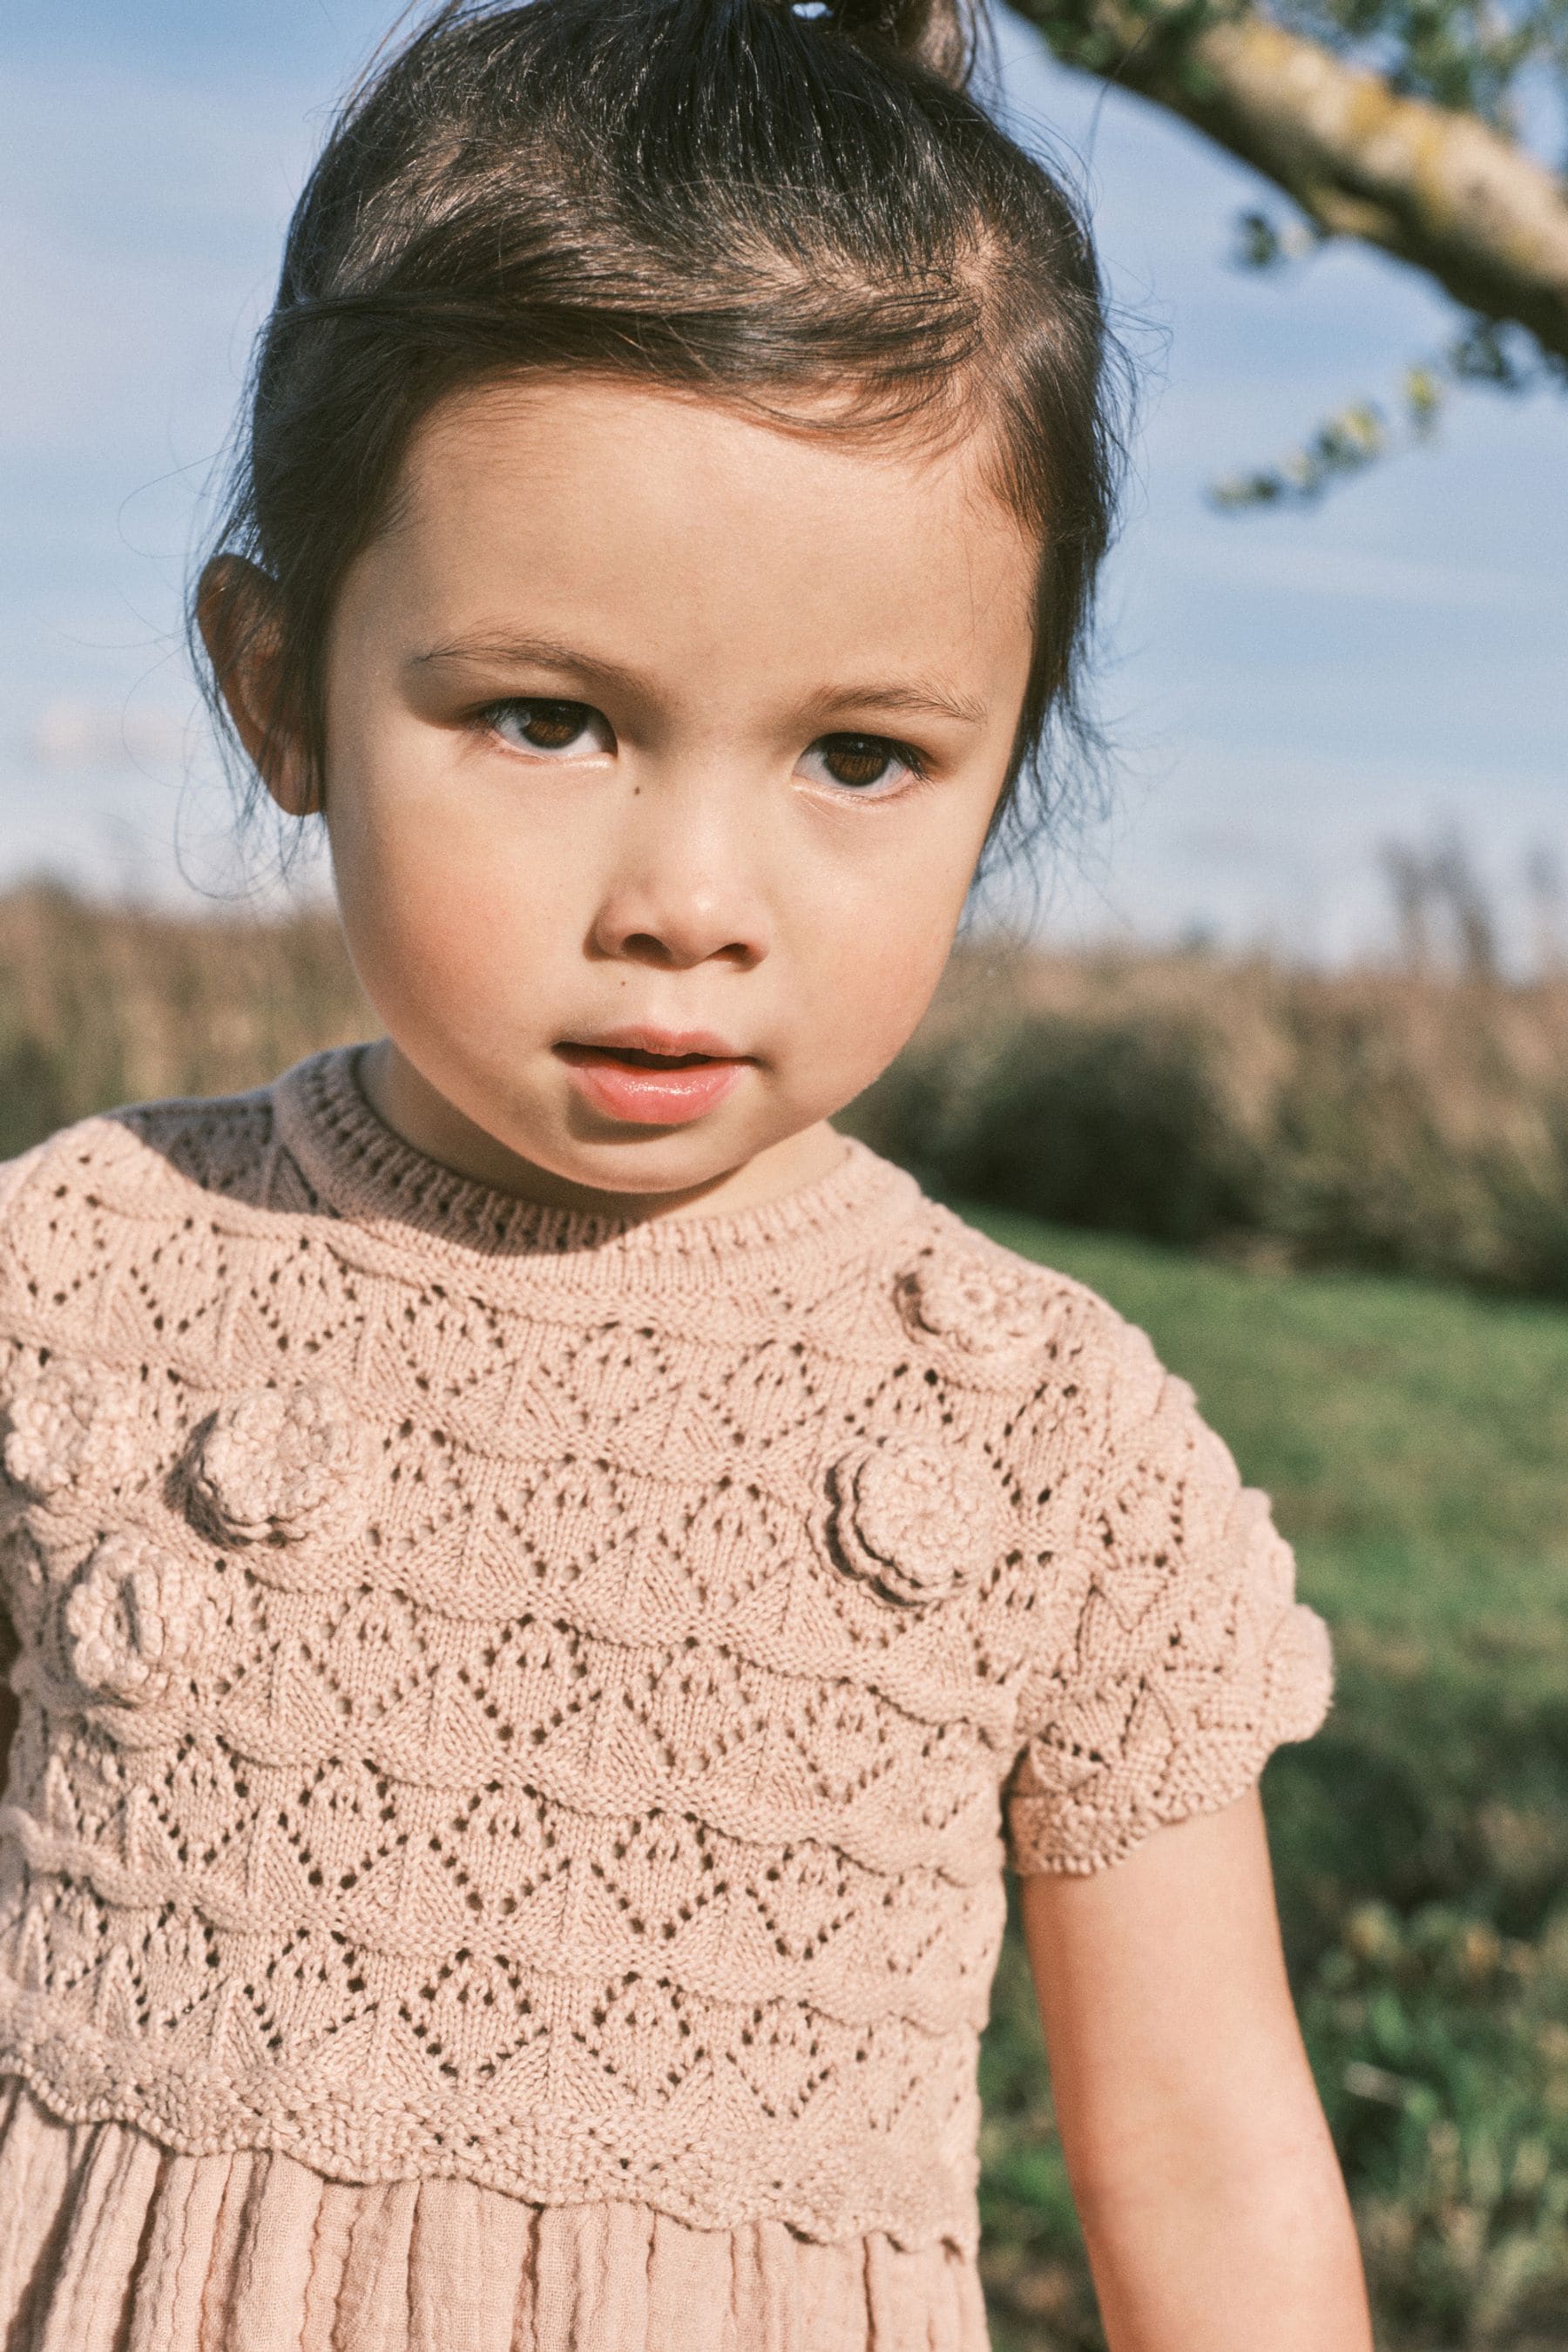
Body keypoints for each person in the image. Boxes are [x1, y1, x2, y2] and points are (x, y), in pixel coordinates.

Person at [0, 0, 1373, 2343]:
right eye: (549, 718)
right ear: (277, 688)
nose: (694, 895)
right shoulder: (75, 1287)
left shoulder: (1048, 1445)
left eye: (860, 753)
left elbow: (1218, 2174)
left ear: (1007, 749)